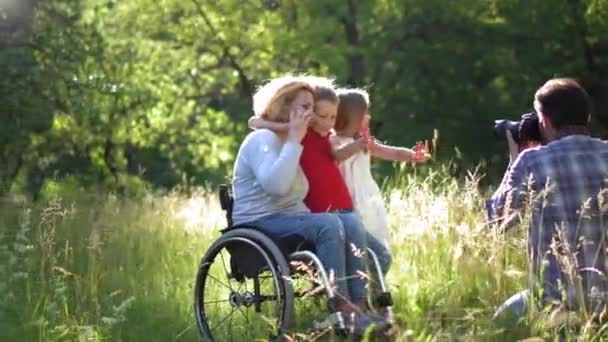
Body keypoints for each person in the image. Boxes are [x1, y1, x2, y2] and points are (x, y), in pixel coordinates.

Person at [232, 75, 382, 332]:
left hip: (288, 218)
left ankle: (359, 306)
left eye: (311, 107)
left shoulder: (297, 139)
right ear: (283, 105)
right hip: (260, 222)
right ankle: (342, 309)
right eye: (304, 106)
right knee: (328, 223)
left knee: (349, 220)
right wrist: (293, 140)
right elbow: (277, 187)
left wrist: (295, 138)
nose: (309, 113)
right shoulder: (262, 140)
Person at [487, 78, 608, 321]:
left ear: (545, 121)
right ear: (587, 118)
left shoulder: (531, 160)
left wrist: (515, 156)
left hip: (554, 304)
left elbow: (497, 221)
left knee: (496, 326)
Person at [331, 88, 430, 274]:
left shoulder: (363, 141)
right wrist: (357, 145)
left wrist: (411, 155)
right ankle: (368, 293)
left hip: (368, 199)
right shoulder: (335, 141)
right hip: (350, 202)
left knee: (376, 246)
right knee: (362, 250)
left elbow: (388, 151)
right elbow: (336, 157)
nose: (368, 117)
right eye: (365, 113)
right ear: (352, 117)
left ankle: (375, 293)